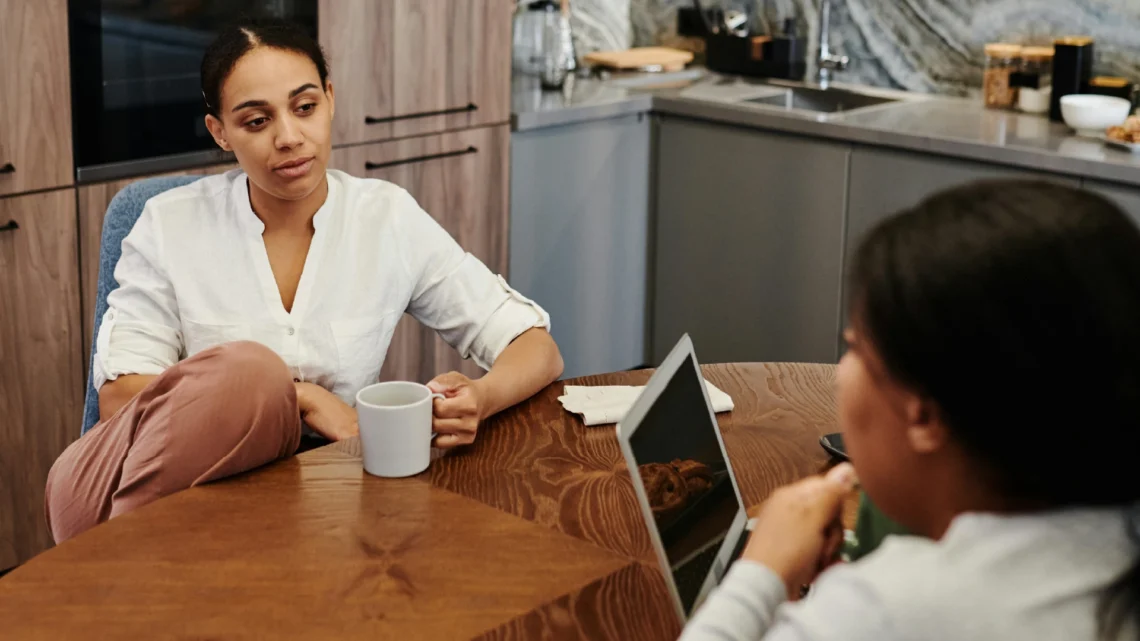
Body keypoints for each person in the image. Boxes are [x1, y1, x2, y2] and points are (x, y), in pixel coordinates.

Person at [45, 19, 563, 543]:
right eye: (255, 121)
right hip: (155, 486)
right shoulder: (166, 224)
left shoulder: (386, 218)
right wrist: (303, 398)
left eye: (305, 107)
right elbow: (120, 400)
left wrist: (481, 396)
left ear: (330, 100)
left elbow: (535, 347)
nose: (289, 137)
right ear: (219, 131)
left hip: (314, 503)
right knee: (252, 369)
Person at [681, 180, 1140, 641]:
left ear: (924, 416)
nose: (842, 372)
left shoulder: (886, 610)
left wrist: (762, 571)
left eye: (855, 348)